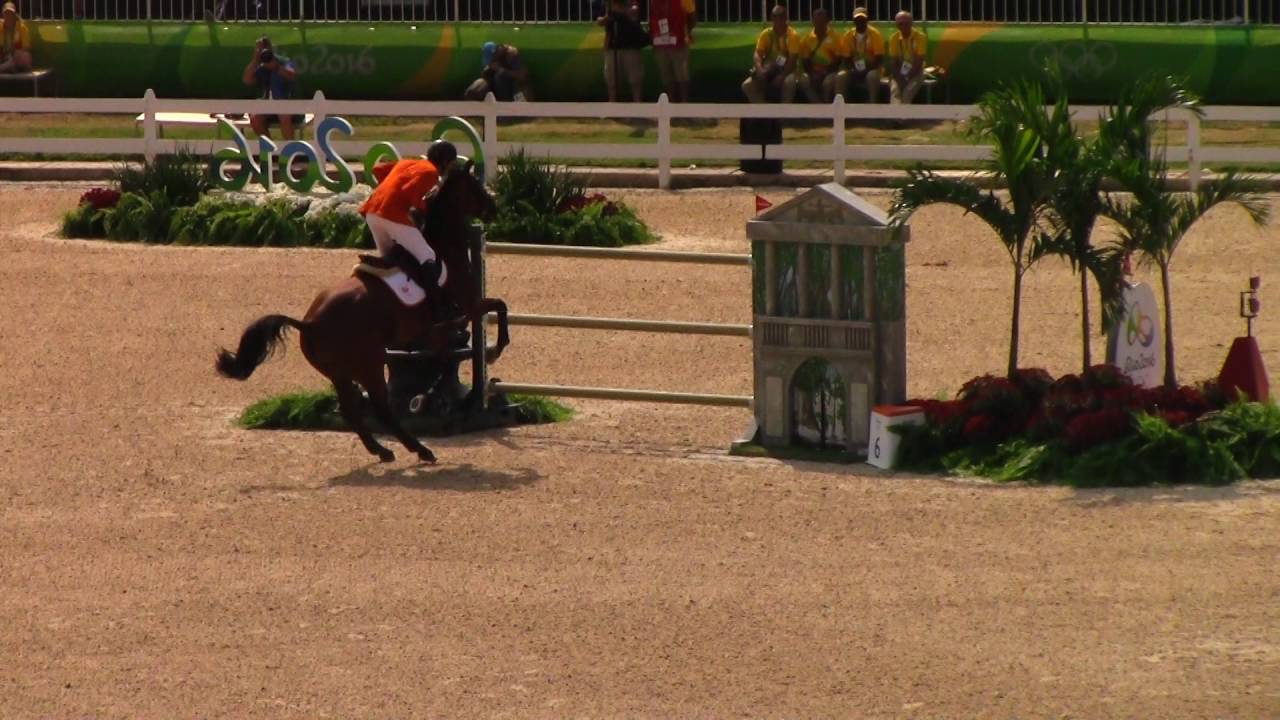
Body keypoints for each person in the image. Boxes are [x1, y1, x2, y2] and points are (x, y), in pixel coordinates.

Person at [359, 150, 453, 315]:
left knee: (389, 261)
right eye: (450, 164)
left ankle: (391, 305)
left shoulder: (407, 162)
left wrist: (391, 192)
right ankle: (437, 310)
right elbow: (417, 200)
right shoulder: (431, 172)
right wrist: (423, 209)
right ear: (444, 163)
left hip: (372, 212)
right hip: (392, 215)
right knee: (428, 256)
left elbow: (378, 170)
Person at [241, 36, 300, 140]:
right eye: (260, 48)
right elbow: (247, 80)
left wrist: (276, 67)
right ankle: (270, 151)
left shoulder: (283, 62)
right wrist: (255, 59)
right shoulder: (260, 66)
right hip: (267, 106)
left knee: (284, 116)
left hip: (287, 104)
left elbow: (292, 75)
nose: (264, 51)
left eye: (266, 48)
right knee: (255, 119)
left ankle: (291, 151)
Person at [741, 4, 801, 104]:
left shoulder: (792, 35)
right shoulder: (766, 34)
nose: (778, 20)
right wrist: (760, 70)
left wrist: (782, 76)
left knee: (789, 82)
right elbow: (757, 54)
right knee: (747, 85)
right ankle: (764, 115)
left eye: (781, 16)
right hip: (768, 69)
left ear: (786, 18)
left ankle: (783, 116)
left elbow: (792, 60)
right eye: (775, 17)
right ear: (771, 18)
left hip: (787, 70)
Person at [598, 0, 649, 103]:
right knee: (611, 81)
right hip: (613, 46)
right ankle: (612, 107)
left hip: (631, 45)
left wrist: (621, 11)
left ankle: (638, 108)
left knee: (635, 80)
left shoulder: (632, 3)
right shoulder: (609, 3)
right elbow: (600, 21)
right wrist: (608, 17)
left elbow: (634, 13)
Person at [648, 0, 696, 103]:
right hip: (661, 43)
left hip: (679, 43)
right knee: (666, 76)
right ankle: (671, 103)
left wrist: (685, 32)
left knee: (682, 75)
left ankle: (684, 103)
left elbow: (692, 17)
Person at [837, 7, 885, 103]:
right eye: (857, 20)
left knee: (871, 76)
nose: (860, 22)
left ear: (867, 20)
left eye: (863, 19)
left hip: (872, 68)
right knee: (841, 76)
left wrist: (865, 70)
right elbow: (846, 59)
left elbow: (878, 59)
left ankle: (872, 106)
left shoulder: (875, 34)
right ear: (853, 21)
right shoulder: (848, 36)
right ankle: (841, 108)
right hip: (854, 69)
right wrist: (854, 70)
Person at [797, 7, 842, 103]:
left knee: (827, 83)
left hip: (830, 72)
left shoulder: (836, 37)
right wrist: (812, 74)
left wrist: (824, 73)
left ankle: (827, 108)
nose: (819, 24)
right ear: (813, 22)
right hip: (813, 73)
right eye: (817, 21)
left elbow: (837, 61)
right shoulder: (807, 39)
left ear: (827, 22)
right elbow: (805, 61)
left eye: (822, 22)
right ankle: (818, 105)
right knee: (803, 80)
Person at [464, 42, 532, 102]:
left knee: (518, 86)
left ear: (497, 52)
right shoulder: (493, 61)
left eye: (492, 59)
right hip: (498, 91)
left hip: (513, 87)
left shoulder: (511, 54)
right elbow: (486, 74)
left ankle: (521, 112)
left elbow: (522, 76)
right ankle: (474, 110)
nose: (491, 62)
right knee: (479, 84)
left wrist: (502, 70)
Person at [887, 10, 927, 104]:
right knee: (895, 91)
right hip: (899, 72)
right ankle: (896, 116)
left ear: (911, 23)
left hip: (917, 72)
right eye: (901, 24)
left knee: (907, 92)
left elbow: (919, 61)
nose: (904, 26)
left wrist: (908, 77)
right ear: (897, 25)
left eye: (906, 23)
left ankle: (904, 117)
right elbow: (894, 61)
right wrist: (899, 77)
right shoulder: (893, 38)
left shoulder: (920, 37)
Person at [0, 2, 32, 74]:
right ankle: (7, 67)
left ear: (14, 15)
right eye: (6, 14)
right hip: (3, 57)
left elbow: (26, 47)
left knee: (26, 56)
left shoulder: (22, 28)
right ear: (3, 15)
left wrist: (14, 53)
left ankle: (10, 67)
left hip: (16, 57)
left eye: (11, 13)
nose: (8, 16)